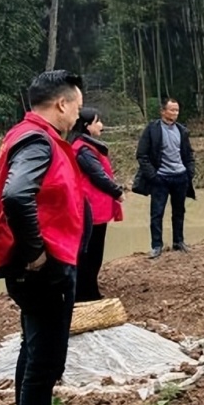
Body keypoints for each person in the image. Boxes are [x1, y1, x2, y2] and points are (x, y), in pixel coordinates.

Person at [0, 70, 88, 405]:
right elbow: (15, 195)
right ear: (61, 104)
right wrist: (35, 253)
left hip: (37, 268)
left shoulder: (27, 136)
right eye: (76, 108)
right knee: (44, 363)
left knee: (33, 352)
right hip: (41, 270)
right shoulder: (37, 142)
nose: (77, 117)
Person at [69, 108, 125, 303]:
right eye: (98, 121)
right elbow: (98, 175)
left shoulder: (85, 146)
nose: (101, 125)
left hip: (94, 207)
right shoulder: (83, 149)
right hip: (92, 209)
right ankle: (86, 294)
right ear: (87, 126)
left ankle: (88, 290)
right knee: (91, 253)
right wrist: (117, 191)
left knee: (92, 252)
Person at [135, 98, 196, 259]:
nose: (175, 113)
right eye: (172, 110)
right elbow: (142, 155)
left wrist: (189, 172)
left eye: (177, 110)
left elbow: (188, 154)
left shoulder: (182, 130)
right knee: (157, 213)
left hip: (180, 177)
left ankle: (179, 241)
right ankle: (156, 245)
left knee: (179, 211)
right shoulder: (152, 129)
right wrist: (153, 176)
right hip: (160, 178)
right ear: (163, 111)